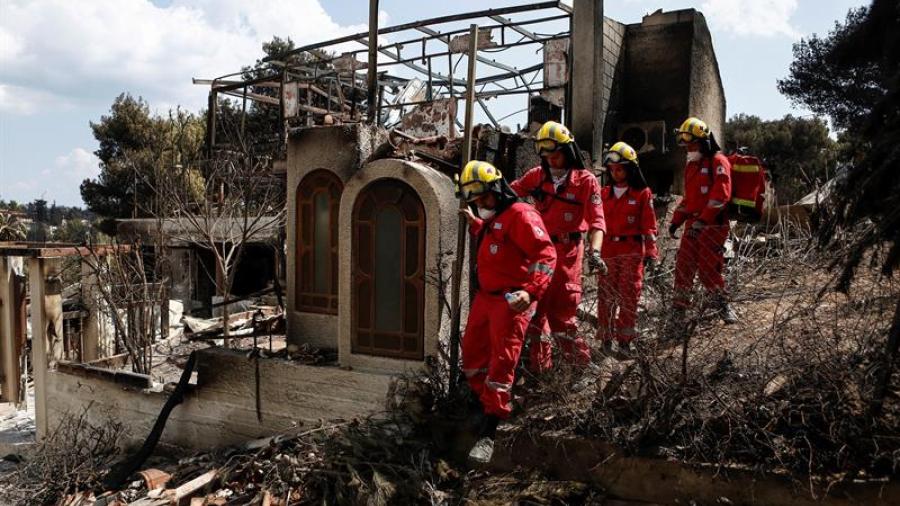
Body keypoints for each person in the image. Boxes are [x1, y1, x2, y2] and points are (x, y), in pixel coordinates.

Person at [457, 160, 557, 465]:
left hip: (510, 301)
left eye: (484, 197)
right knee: (473, 357)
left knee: (502, 364)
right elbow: (497, 242)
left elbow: (546, 253)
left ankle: (490, 431)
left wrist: (531, 290)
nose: (481, 203)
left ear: (498, 189)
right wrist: (475, 222)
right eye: (476, 200)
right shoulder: (495, 217)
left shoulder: (522, 215)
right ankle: (483, 405)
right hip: (486, 299)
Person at [509, 121, 607, 373]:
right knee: (535, 314)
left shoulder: (585, 181)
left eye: (557, 155)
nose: (552, 161)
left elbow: (597, 221)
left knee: (562, 317)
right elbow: (508, 196)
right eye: (547, 156)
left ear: (568, 151)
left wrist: (595, 252)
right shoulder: (536, 177)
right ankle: (540, 373)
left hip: (568, 252)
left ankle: (582, 369)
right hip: (539, 252)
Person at [666, 117, 738, 337]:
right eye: (686, 144)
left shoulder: (718, 162)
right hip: (693, 225)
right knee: (684, 268)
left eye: (692, 144)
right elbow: (690, 199)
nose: (688, 148)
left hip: (713, 225)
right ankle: (679, 312)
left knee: (709, 270)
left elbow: (720, 196)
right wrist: (676, 220)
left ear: (704, 142)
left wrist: (703, 220)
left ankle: (723, 306)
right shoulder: (692, 166)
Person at [596, 142, 658, 356]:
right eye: (612, 169)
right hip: (607, 251)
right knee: (606, 296)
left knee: (629, 296)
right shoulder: (603, 194)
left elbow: (649, 227)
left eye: (620, 168)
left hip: (631, 251)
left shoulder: (642, 194)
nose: (615, 173)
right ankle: (605, 340)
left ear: (630, 169)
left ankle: (625, 342)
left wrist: (651, 253)